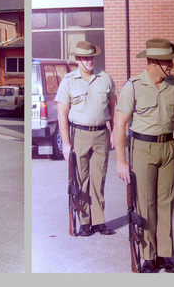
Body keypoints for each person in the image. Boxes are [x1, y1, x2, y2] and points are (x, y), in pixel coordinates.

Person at [114, 38, 174, 273]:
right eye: (167, 61)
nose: (172, 66)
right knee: (146, 203)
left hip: (168, 148)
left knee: (166, 202)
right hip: (143, 148)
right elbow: (120, 124)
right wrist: (121, 160)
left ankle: (165, 255)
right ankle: (148, 256)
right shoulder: (133, 86)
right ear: (153, 61)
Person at [55, 40, 118, 237]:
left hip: (101, 133)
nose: (89, 61)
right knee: (81, 180)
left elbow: (113, 107)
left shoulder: (104, 78)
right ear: (78, 60)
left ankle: (99, 221)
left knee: (98, 179)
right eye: (85, 58)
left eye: (91, 57)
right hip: (78, 135)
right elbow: (61, 114)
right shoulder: (68, 81)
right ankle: (84, 222)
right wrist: (66, 143)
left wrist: (114, 132)